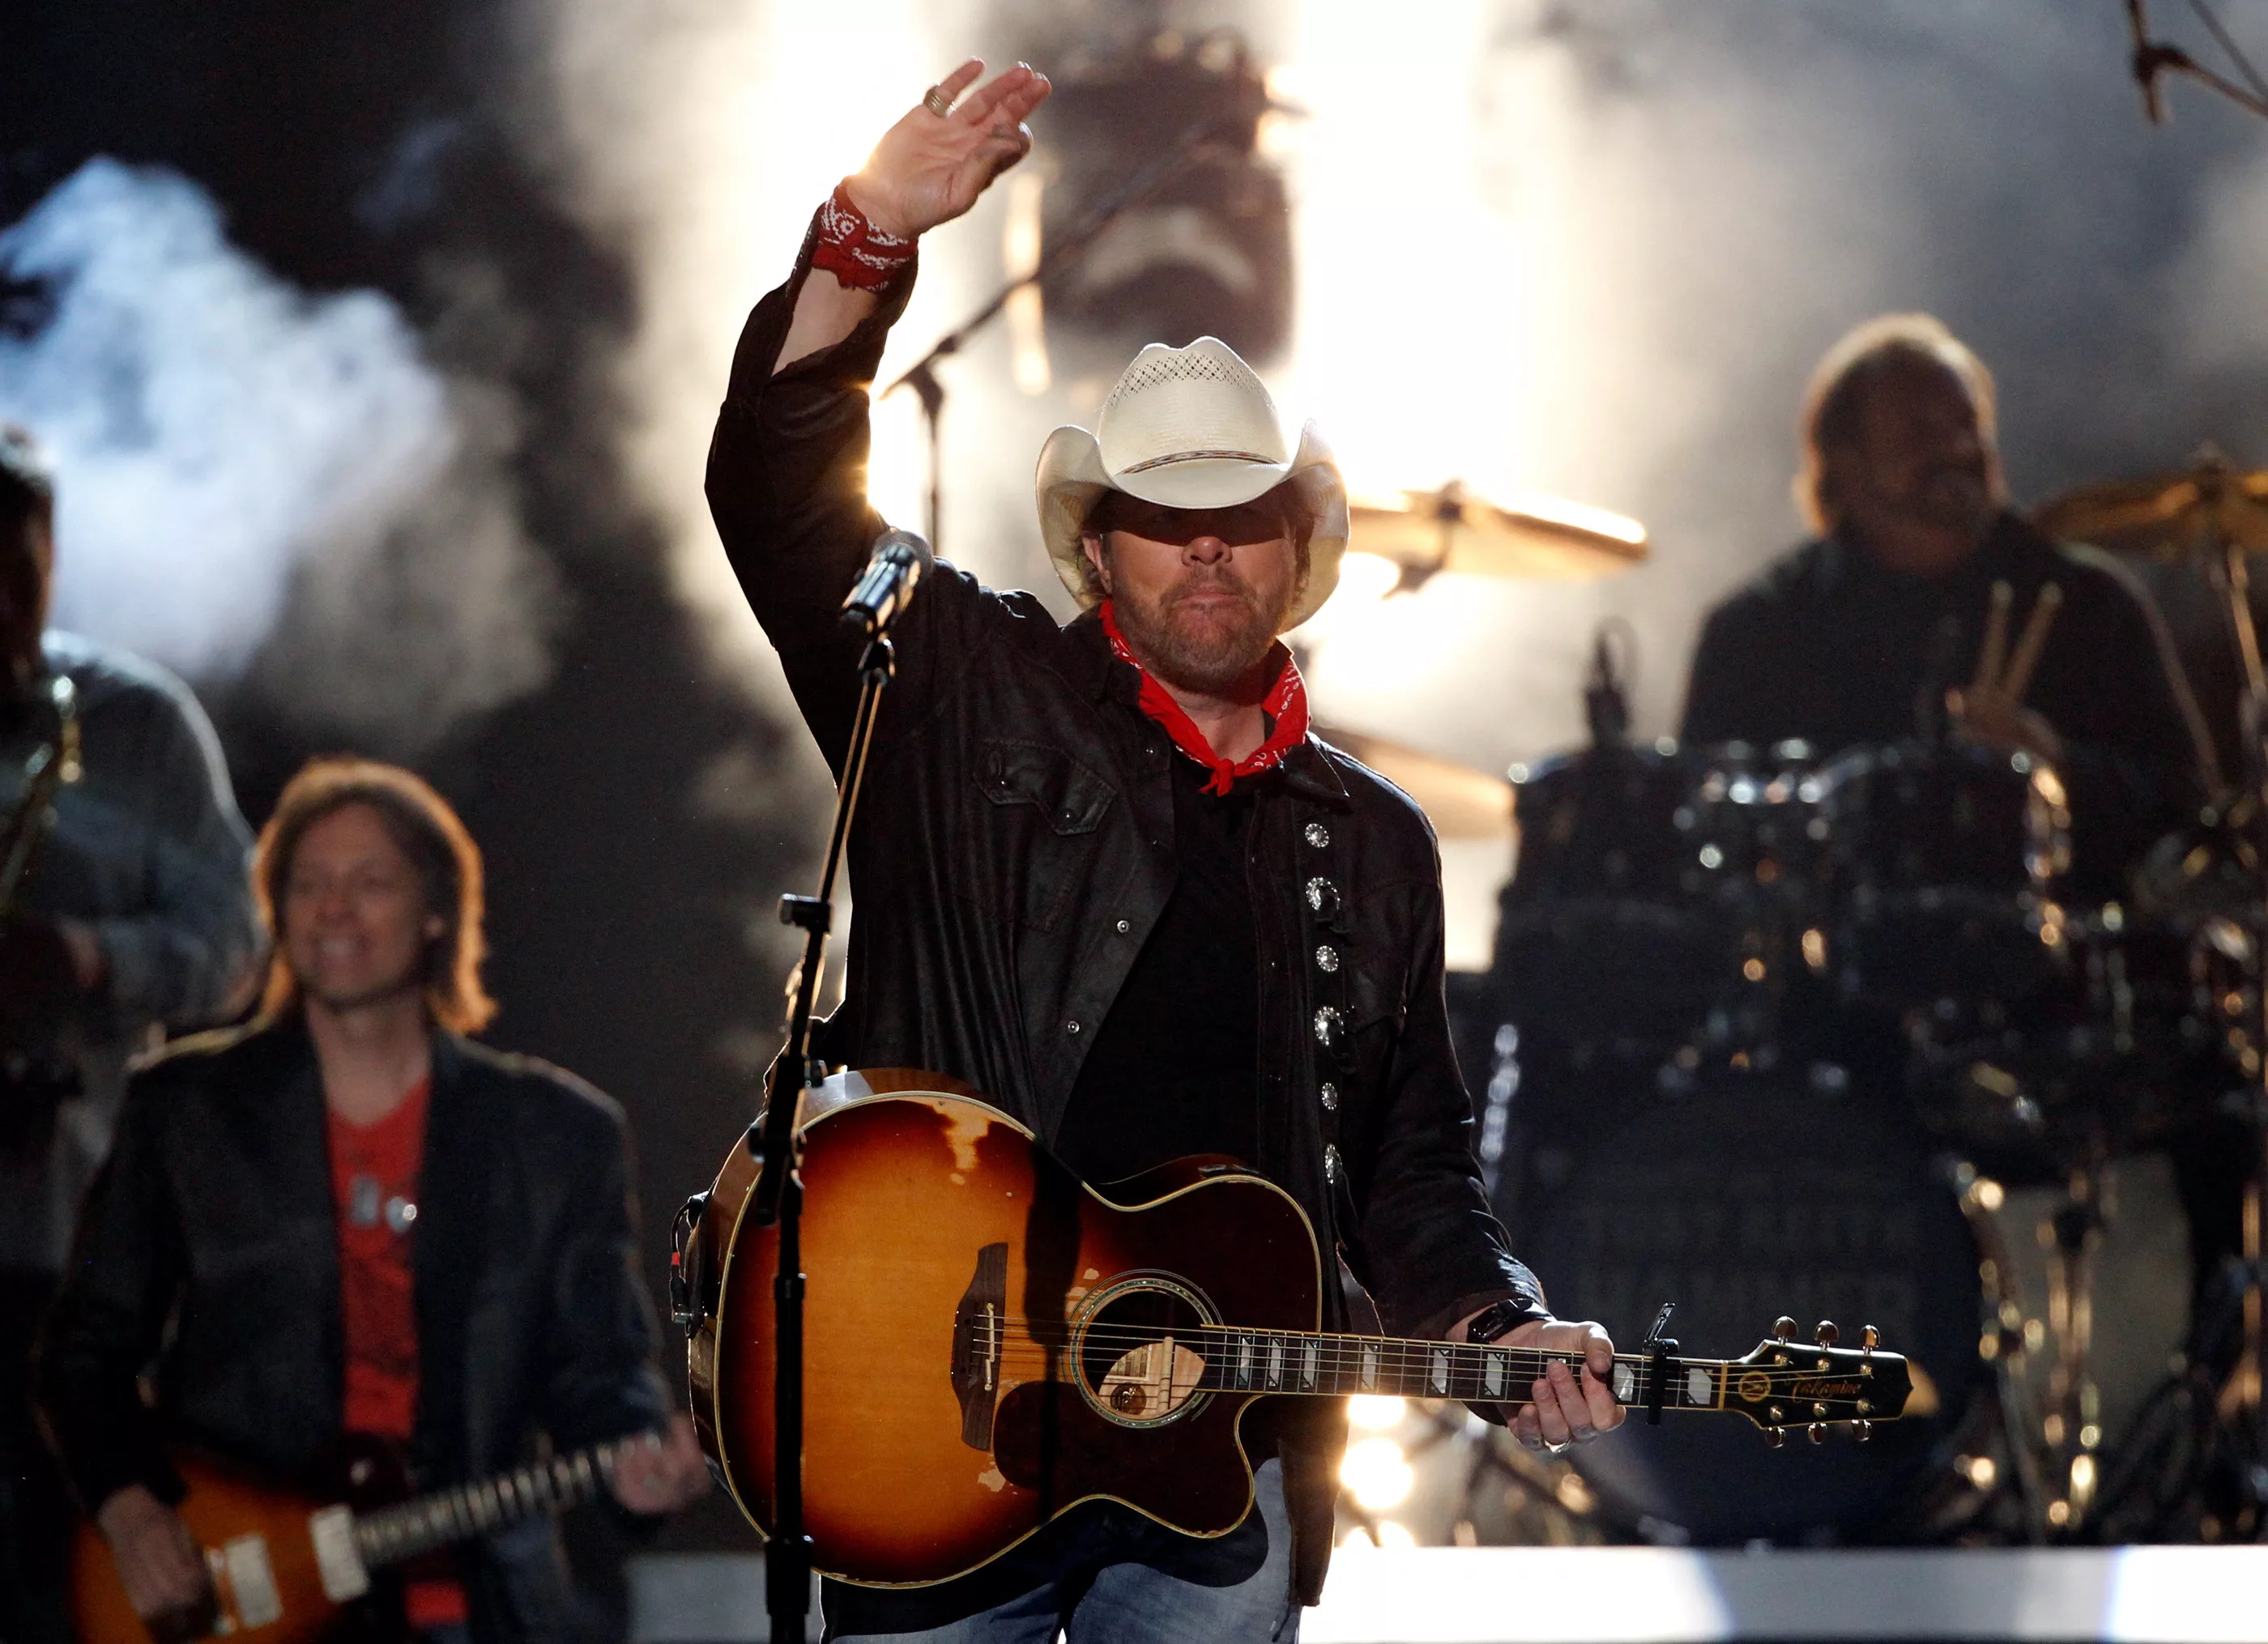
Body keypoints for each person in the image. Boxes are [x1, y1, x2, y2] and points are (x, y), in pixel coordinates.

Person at [705, 58, 1622, 1642]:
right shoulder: (954, 684)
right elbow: (773, 488)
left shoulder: (1373, 842)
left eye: (1244, 510)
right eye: (1162, 510)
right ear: (1098, 547)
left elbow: (1408, 1171)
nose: (1207, 543)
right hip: (933, 1418)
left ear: (1295, 548)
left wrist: (1495, 1320)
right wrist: (865, 235)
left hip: (1220, 1452)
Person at [36, 759, 709, 1644]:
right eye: (308, 884)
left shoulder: (556, 1132)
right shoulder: (184, 1107)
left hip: (477, 1604)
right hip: (246, 1591)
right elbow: (83, 1352)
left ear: (437, 911)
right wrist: (130, 1510)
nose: (333, 909)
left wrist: (641, 1460)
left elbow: (602, 1368)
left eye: (369, 882)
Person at [0, 424, 262, 1644]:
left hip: (74, 1235)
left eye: (20, 566)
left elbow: (238, 954)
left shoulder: (137, 722)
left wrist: (89, 957)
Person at [1681, 313, 2214, 895]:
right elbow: (1704, 840)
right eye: (1919, 435)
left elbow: (2193, 812)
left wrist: (2060, 767)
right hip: (1831, 972)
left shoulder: (2089, 605)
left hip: (2059, 967)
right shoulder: (1760, 632)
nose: (1958, 449)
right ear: (1848, 469)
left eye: (1969, 425)